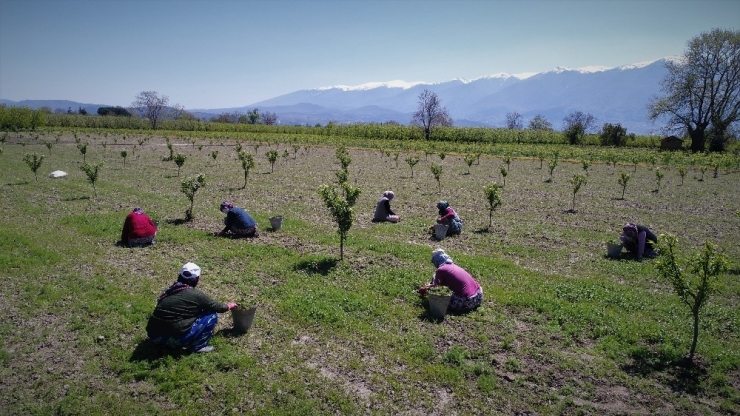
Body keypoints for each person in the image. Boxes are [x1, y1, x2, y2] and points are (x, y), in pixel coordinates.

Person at [146, 262, 237, 353]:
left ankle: (164, 344)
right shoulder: (195, 295)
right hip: (175, 340)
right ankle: (197, 346)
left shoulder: (170, 290)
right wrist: (228, 306)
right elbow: (215, 307)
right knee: (211, 315)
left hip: (154, 337)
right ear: (196, 279)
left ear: (180, 276)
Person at [418, 249, 483, 313]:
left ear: (436, 261)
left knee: (439, 298)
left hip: (467, 302)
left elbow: (436, 288)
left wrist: (424, 289)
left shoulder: (441, 270)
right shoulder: (453, 266)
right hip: (478, 296)